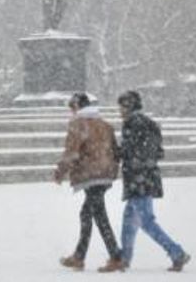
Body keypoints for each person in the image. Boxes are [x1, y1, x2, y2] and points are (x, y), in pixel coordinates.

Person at [116, 90, 190, 272]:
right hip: (147, 177)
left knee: (146, 221)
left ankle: (176, 252)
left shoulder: (132, 124)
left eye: (121, 106)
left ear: (129, 106)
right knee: (128, 220)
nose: (119, 110)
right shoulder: (149, 123)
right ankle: (124, 258)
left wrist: (115, 151)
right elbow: (158, 152)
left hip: (138, 179)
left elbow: (129, 152)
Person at [55, 93, 125, 273]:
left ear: (77, 107)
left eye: (72, 108)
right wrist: (110, 169)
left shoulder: (78, 125)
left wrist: (60, 171)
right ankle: (79, 256)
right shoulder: (105, 125)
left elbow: (72, 151)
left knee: (99, 216)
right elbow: (116, 151)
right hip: (105, 174)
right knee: (87, 213)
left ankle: (116, 256)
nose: (71, 112)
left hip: (90, 174)